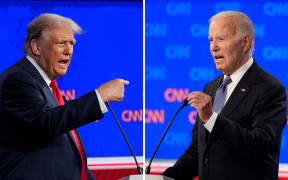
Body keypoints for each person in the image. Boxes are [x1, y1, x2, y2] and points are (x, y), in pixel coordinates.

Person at [0, 13, 129, 180]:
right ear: (36, 47)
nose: (69, 51)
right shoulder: (17, 80)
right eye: (61, 43)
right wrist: (100, 96)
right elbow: (45, 123)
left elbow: (68, 161)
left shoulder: (48, 87)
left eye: (72, 44)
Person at [162, 11, 287, 180]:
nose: (213, 47)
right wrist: (162, 178)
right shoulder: (211, 87)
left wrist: (211, 118)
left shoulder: (269, 88)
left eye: (221, 38)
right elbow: (197, 153)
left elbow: (260, 145)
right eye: (211, 40)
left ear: (245, 42)